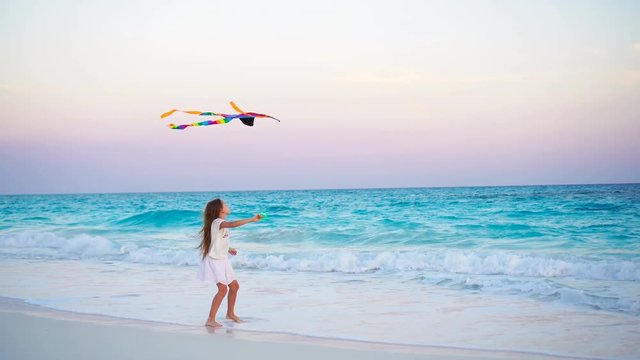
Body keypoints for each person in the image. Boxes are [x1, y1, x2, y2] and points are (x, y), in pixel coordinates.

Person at [197, 198, 262, 328]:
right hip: (215, 260)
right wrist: (251, 219)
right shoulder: (217, 222)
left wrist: (228, 249)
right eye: (225, 204)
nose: (227, 205)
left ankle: (230, 313)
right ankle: (210, 319)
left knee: (234, 286)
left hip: (222, 258)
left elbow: (218, 241)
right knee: (222, 289)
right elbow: (232, 224)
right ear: (220, 209)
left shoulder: (219, 223)